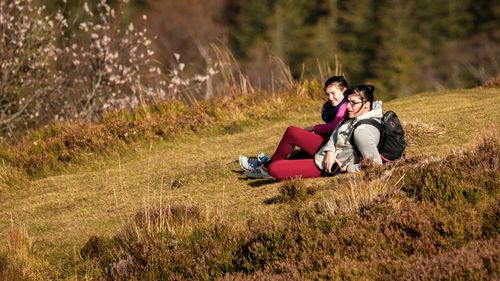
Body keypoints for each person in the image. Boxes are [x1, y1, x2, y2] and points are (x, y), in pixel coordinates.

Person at [243, 84, 383, 181]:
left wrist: (347, 168)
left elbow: (376, 165)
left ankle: (266, 168)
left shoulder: (362, 132)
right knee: (292, 131)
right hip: (330, 153)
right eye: (348, 102)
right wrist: (330, 151)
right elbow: (337, 132)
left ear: (366, 105)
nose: (348, 107)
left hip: (327, 167)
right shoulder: (357, 114)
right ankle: (265, 166)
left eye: (353, 103)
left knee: (274, 169)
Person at [239, 75, 350, 179]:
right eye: (328, 94)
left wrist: (314, 128)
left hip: (331, 146)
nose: (330, 97)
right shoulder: (339, 105)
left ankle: (266, 166)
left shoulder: (346, 105)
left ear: (343, 90)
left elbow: (334, 127)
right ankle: (266, 164)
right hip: (328, 143)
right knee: (296, 154)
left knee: (292, 132)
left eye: (333, 93)